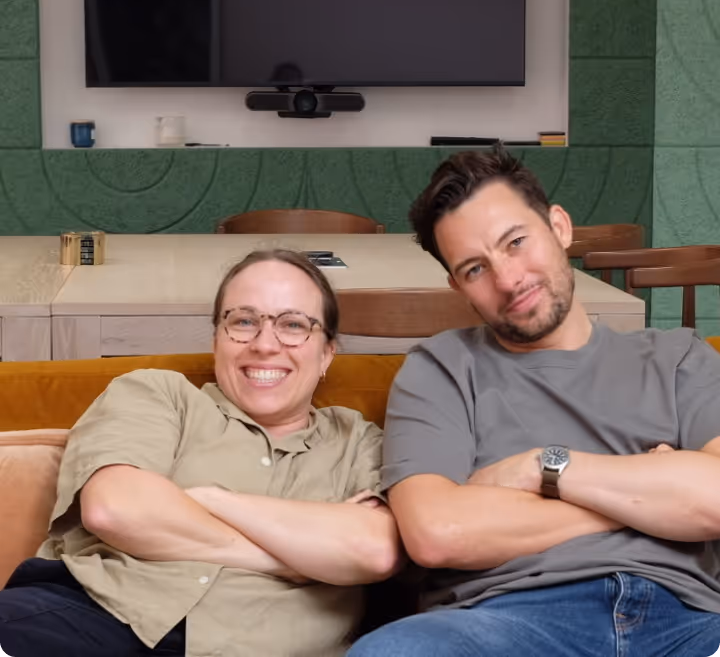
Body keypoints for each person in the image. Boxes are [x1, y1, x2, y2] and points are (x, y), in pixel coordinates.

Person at [349, 147, 720, 656]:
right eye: (476, 269)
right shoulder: (440, 370)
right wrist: (644, 499)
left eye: (516, 242)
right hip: (509, 623)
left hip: (688, 622)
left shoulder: (678, 358)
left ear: (560, 227)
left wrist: (543, 469)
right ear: (458, 286)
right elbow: (437, 533)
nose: (508, 279)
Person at [0, 249, 401, 657]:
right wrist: (291, 559)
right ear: (216, 340)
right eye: (243, 322)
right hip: (93, 619)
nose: (265, 344)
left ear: (327, 353)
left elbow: (375, 550)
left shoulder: (359, 442)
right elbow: (115, 509)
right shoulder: (158, 395)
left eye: (293, 325)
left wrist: (209, 499)